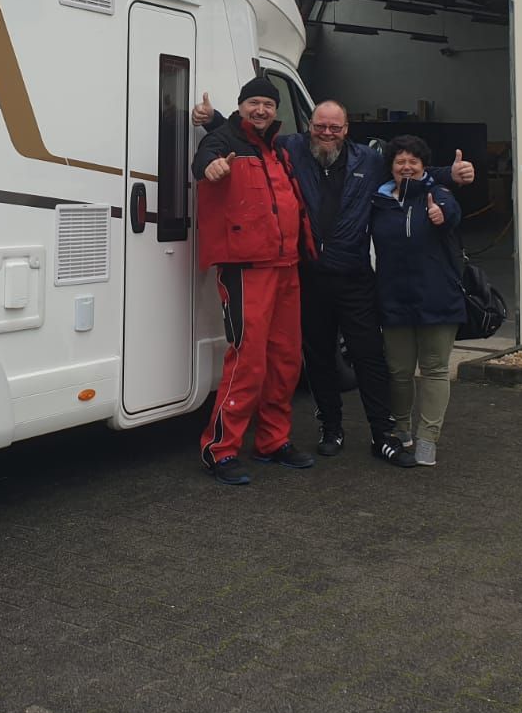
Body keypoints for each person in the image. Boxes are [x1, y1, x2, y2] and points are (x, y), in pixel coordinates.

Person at [193, 94, 474, 468]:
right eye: (320, 126)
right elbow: (248, 134)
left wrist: (447, 175)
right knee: (317, 357)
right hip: (308, 272)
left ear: (346, 130)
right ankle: (331, 428)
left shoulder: (369, 160)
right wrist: (213, 122)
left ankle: (382, 434)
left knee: (368, 356)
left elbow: (406, 171)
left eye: (334, 127)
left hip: (354, 273)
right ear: (309, 126)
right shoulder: (291, 148)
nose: (326, 133)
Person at [191, 77, 317, 486]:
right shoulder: (223, 141)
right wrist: (209, 166)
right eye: (253, 103)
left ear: (275, 111)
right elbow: (204, 161)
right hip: (246, 269)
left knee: (284, 360)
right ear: (241, 106)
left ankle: (272, 441)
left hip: (285, 266)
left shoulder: (277, 148)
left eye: (267, 104)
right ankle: (220, 450)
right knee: (247, 359)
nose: (260, 110)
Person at [370, 135, 467, 468]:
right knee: (398, 371)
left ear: (425, 167)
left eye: (414, 162)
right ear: (391, 167)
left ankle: (428, 439)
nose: (406, 167)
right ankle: (401, 431)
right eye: (400, 161)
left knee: (435, 370)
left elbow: (451, 211)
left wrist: (442, 214)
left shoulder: (437, 194)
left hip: (438, 297)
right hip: (393, 298)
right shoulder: (379, 201)